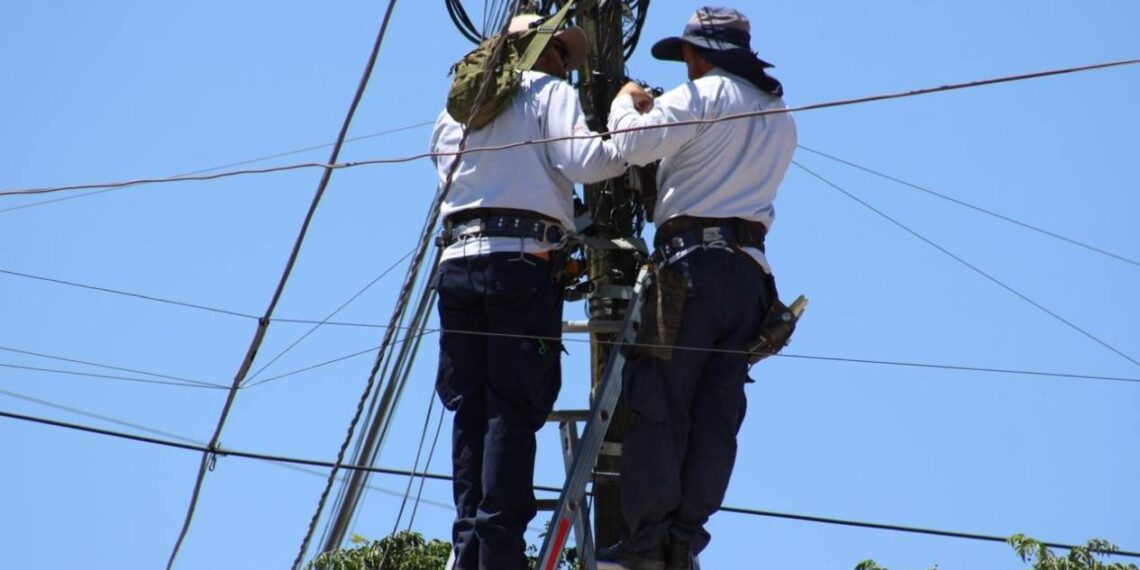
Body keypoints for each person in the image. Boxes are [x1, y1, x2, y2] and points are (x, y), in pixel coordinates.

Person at [598, 7, 797, 570]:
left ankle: (644, 549)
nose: (685, 66)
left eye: (686, 55)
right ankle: (683, 543)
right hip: (749, 280)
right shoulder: (780, 116)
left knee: (660, 405)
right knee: (715, 416)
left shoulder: (703, 95)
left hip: (690, 272)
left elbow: (632, 143)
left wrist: (626, 97)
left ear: (700, 53)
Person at [429, 13, 627, 570]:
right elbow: (589, 161)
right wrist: (626, 118)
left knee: (471, 411)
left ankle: (468, 549)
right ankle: (499, 553)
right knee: (511, 412)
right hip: (518, 268)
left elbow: (445, 172)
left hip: (457, 267)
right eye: (562, 53)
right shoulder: (546, 93)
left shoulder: (457, 109)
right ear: (540, 51)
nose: (566, 65)